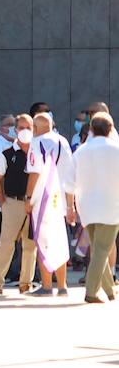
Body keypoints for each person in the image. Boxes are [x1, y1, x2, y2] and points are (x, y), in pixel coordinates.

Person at [24, 111, 77, 296]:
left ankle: (47, 286)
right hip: (60, 198)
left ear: (36, 128)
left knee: (43, 240)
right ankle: (62, 286)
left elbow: (34, 172)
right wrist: (71, 204)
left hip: (42, 197)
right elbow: (71, 174)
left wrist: (28, 198)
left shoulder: (36, 142)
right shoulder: (63, 141)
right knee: (60, 239)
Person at [72, 112, 119, 303]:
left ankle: (110, 290)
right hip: (111, 204)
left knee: (98, 248)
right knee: (102, 249)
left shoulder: (81, 151)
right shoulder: (116, 149)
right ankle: (91, 291)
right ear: (111, 129)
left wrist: (70, 206)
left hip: (86, 206)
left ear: (90, 129)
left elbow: (69, 180)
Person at [0, 113, 35, 295]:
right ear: (15, 130)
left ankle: (26, 283)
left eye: (28, 128)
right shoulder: (7, 154)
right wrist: (2, 202)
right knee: (6, 243)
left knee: (30, 245)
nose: (25, 131)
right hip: (13, 203)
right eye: (21, 128)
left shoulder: (38, 153)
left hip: (33, 205)